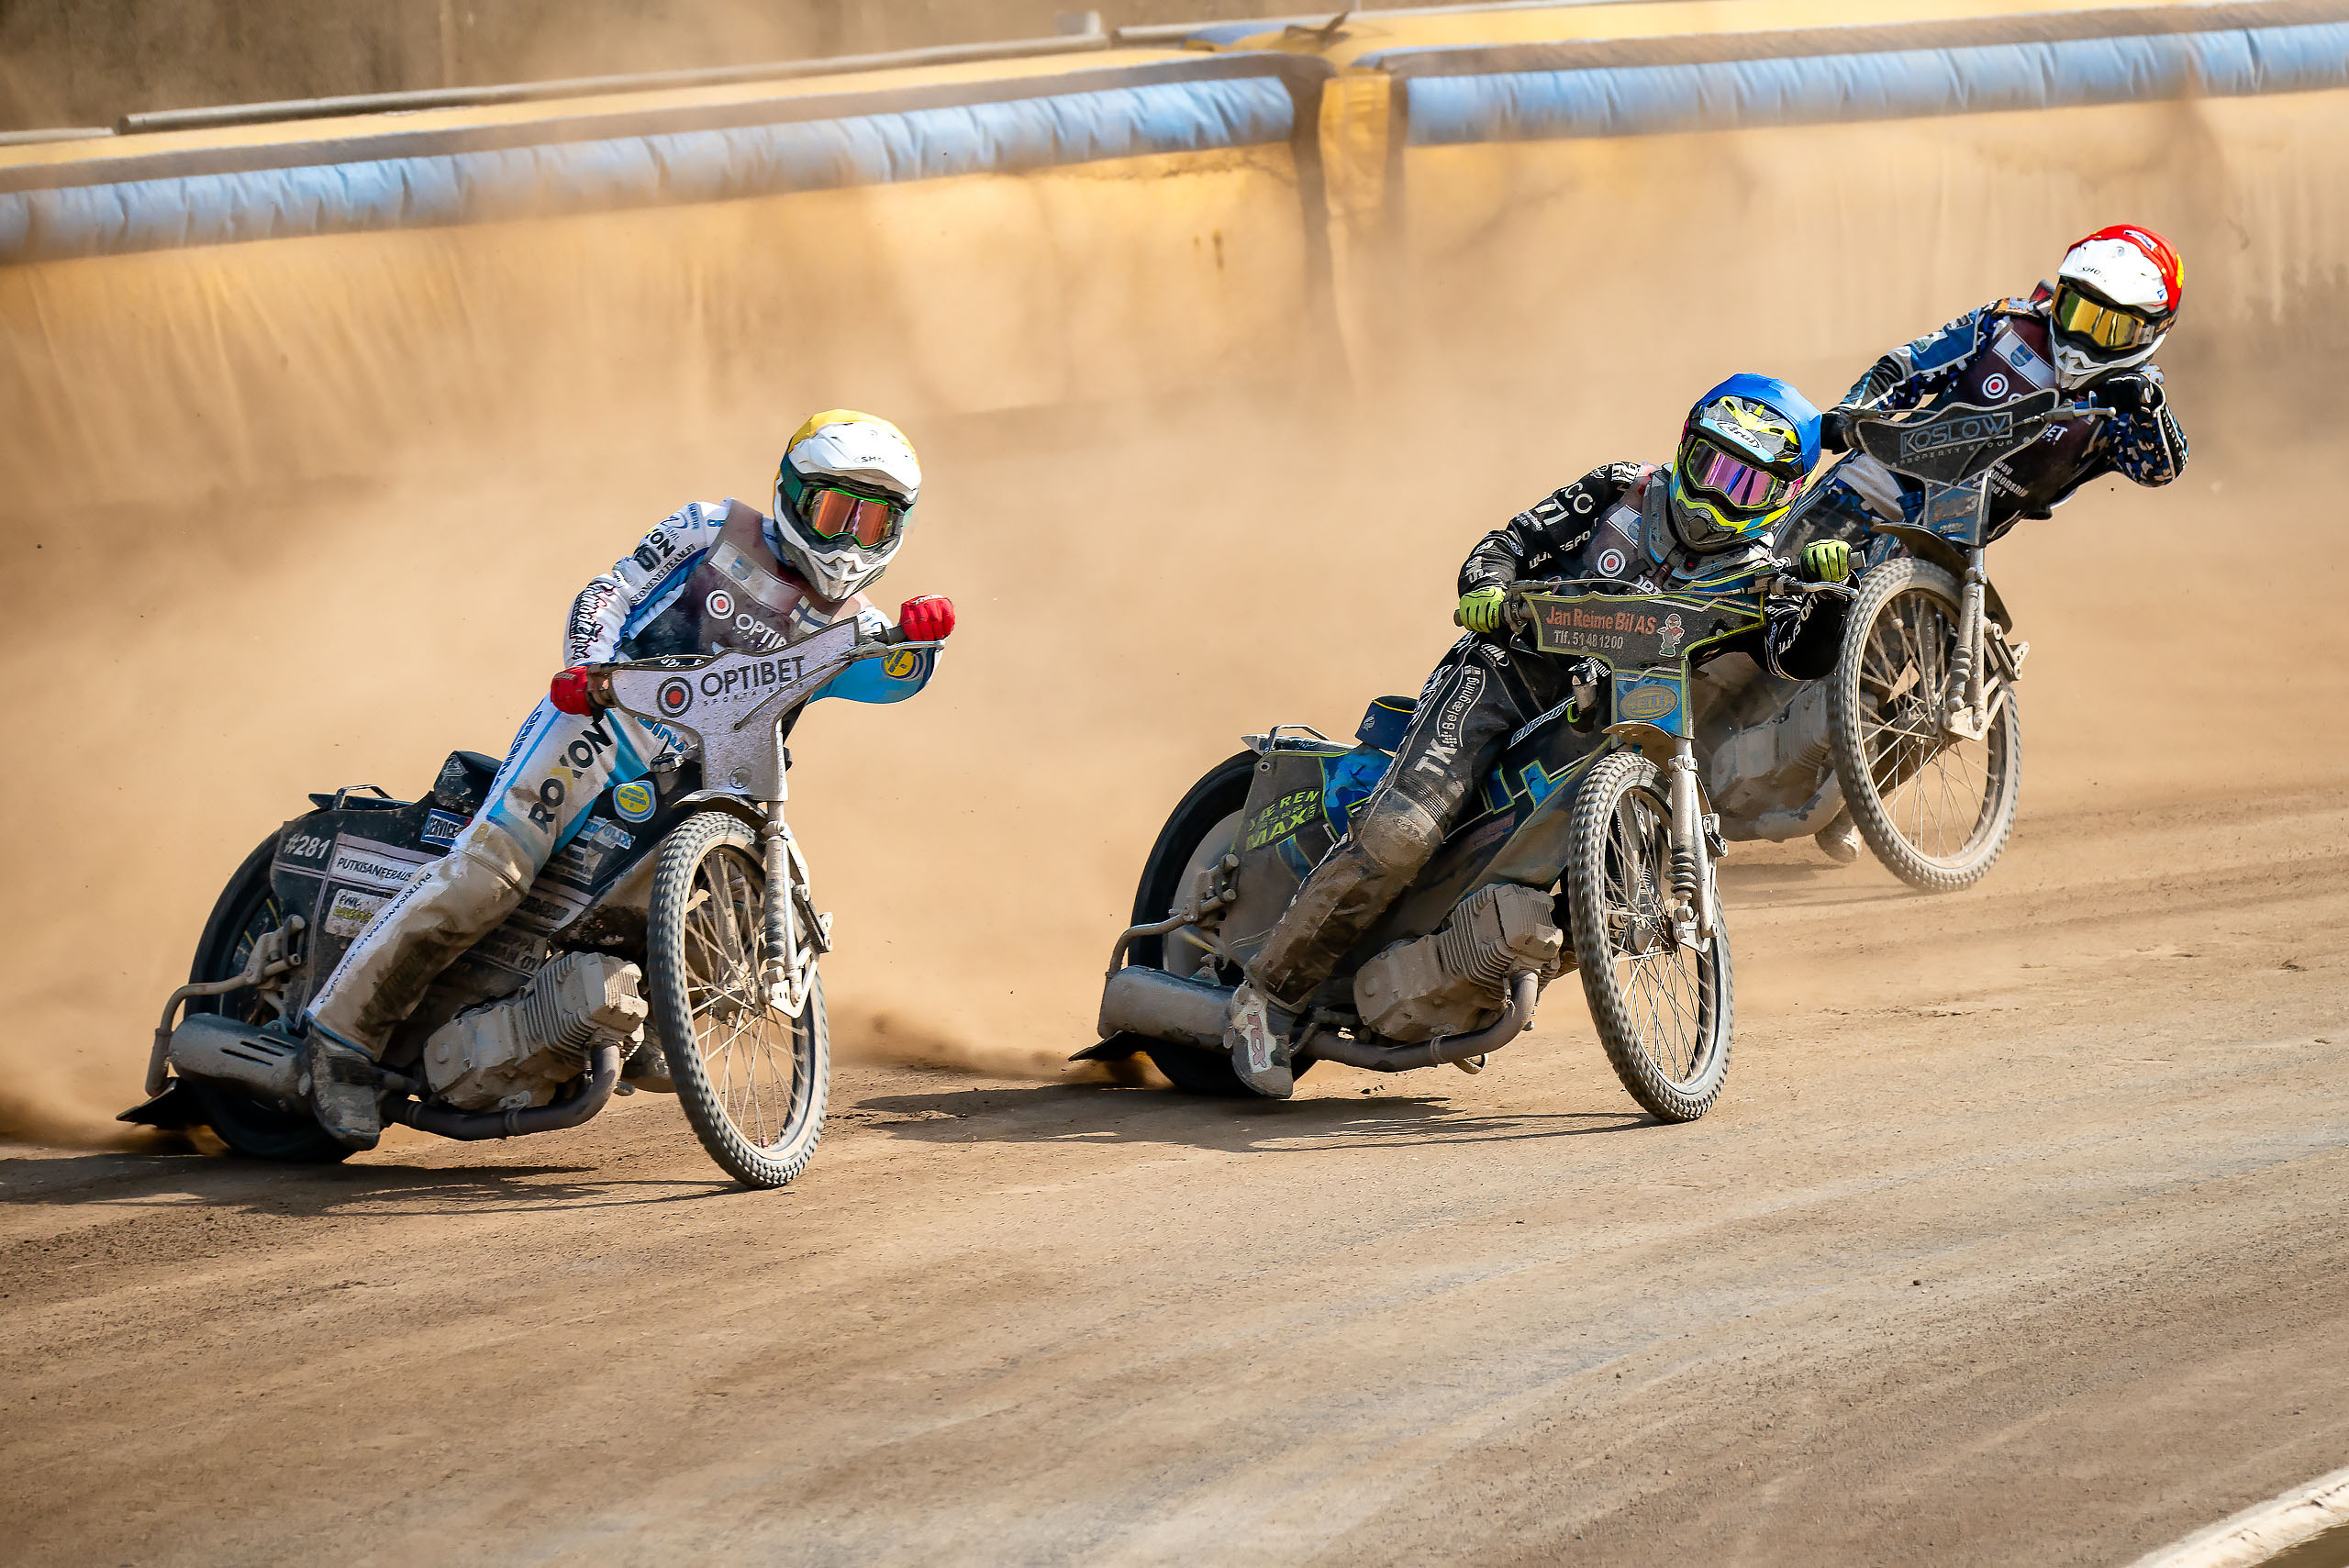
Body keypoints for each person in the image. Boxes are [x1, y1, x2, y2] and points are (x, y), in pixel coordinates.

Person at [300, 410, 956, 1149]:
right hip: (603, 729)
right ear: (790, 494)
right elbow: (609, 590)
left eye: (873, 524)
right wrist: (591, 665)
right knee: (491, 873)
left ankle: (642, 1016)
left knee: (730, 913)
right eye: (836, 512)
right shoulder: (709, 528)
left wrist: (918, 637)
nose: (848, 540)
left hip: (713, 783)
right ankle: (339, 1042)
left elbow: (894, 677)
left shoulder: (854, 623)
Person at [1225, 375, 1853, 1097]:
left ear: (1782, 493)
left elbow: (1797, 655)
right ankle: (1264, 1000)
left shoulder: (1761, 574)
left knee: (1615, 883)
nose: (1716, 495)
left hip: (1625, 719)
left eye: (1744, 484)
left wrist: (1826, 597)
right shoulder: (1621, 488)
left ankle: (1470, 974)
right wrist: (1488, 586)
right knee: (1402, 833)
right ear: (1684, 447)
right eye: (1710, 466)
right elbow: (1507, 543)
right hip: (1506, 675)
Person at [1788, 223, 2190, 861]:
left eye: (2109, 327)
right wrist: (1852, 411)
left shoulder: (2124, 405)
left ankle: (1851, 805)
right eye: (2076, 307)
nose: (2083, 333)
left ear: (2147, 334)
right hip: (1876, 485)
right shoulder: (2004, 326)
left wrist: (2147, 405)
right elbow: (1908, 365)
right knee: (1771, 598)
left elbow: (2163, 466)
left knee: (1950, 679)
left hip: (1947, 549)